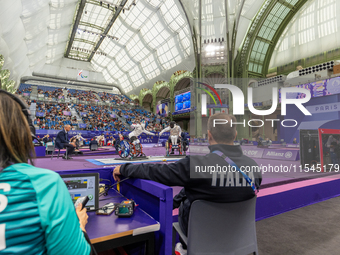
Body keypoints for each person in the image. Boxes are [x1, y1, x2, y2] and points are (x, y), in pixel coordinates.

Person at [112, 113, 262, 255]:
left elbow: (157, 171)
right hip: (239, 235)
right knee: (197, 187)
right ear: (235, 135)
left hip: (201, 233)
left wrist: (125, 168)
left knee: (193, 192)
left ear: (209, 135)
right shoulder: (254, 167)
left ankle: (183, 248)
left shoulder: (195, 165)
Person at [0, 90, 96, 254]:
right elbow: (61, 141)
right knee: (70, 145)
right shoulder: (46, 184)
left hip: (64, 144)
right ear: (24, 131)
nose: (69, 127)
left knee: (73, 145)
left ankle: (70, 153)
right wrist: (80, 226)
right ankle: (68, 154)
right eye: (68, 126)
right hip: (60, 145)